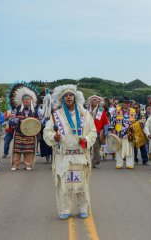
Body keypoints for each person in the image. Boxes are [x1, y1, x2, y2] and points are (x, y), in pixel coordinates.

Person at [43, 84, 97, 220]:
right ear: (62, 98)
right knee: (64, 185)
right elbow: (47, 132)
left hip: (80, 154)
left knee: (82, 184)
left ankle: (83, 208)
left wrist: (86, 139)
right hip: (64, 155)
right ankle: (65, 209)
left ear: (75, 97)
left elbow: (93, 131)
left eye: (70, 95)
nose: (68, 97)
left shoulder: (85, 114)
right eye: (65, 95)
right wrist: (53, 137)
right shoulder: (56, 115)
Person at [9, 82, 41, 171]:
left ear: (31, 100)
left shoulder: (36, 110)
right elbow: (11, 118)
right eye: (25, 99)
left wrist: (35, 122)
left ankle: (28, 165)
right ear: (22, 101)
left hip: (31, 133)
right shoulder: (17, 109)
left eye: (28, 99)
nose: (26, 100)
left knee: (29, 150)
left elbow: (41, 120)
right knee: (17, 150)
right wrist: (19, 121)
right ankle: (15, 165)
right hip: (19, 132)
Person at [110, 97, 136, 169]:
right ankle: (119, 163)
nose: (127, 104)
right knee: (119, 148)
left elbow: (135, 122)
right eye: (125, 102)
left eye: (128, 103)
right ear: (122, 103)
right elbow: (112, 121)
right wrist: (113, 130)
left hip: (130, 133)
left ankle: (129, 164)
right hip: (119, 132)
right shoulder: (116, 110)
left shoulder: (133, 111)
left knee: (130, 149)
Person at [87, 95, 108, 168]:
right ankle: (87, 161)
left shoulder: (101, 110)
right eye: (93, 100)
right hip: (87, 131)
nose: (94, 101)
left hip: (97, 131)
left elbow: (105, 121)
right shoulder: (86, 110)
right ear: (90, 101)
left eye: (96, 100)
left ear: (98, 102)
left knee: (96, 148)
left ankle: (94, 162)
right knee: (87, 147)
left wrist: (105, 131)